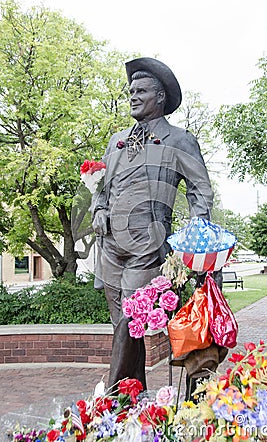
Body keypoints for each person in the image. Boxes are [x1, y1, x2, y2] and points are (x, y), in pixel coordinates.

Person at [92, 57, 214, 391]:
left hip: (148, 243)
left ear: (159, 98)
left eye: (141, 90)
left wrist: (195, 240)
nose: (132, 96)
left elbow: (200, 191)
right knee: (124, 328)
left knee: (131, 318)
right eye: (131, 90)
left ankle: (114, 394)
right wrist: (98, 210)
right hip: (111, 247)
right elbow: (101, 188)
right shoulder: (116, 140)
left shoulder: (179, 140)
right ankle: (132, 395)